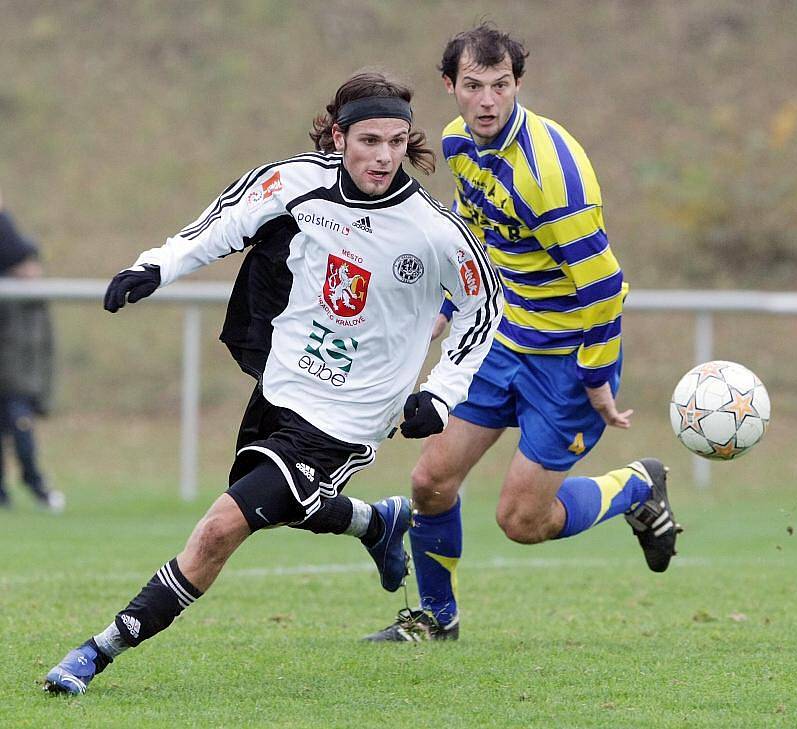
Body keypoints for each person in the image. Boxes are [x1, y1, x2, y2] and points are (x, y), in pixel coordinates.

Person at [43, 71, 502, 694]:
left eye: (397, 142)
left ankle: (96, 652)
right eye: (369, 141)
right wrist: (153, 267)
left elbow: (485, 309)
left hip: (349, 419)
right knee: (276, 505)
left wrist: (440, 393)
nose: (385, 157)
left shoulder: (433, 231)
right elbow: (220, 226)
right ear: (339, 138)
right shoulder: (293, 182)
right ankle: (378, 523)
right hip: (282, 386)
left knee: (219, 530)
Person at [365, 25, 682, 642]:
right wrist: (448, 312)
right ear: (450, 86)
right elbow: (476, 239)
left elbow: (604, 286)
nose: (488, 101)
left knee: (521, 520)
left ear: (518, 84)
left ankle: (639, 486)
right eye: (474, 86)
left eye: (502, 86)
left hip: (568, 360)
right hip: (501, 340)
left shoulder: (552, 175)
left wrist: (595, 378)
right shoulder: (459, 145)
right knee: (430, 481)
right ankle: (437, 620)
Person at [0, 190, 64, 512]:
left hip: (20, 385)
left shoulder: (35, 303)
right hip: (7, 380)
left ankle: (36, 486)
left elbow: (46, 349)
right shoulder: (8, 299)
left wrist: (42, 388)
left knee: (22, 436)